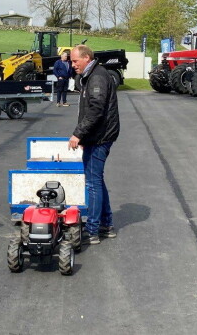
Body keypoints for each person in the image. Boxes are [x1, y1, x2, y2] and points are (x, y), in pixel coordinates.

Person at [67, 45, 119, 246]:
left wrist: (78, 135)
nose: (73, 65)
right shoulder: (93, 75)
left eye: (75, 61)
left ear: (87, 58)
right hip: (97, 136)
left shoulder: (97, 77)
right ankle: (106, 224)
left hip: (100, 136)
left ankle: (93, 230)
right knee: (96, 179)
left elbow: (96, 110)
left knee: (92, 181)